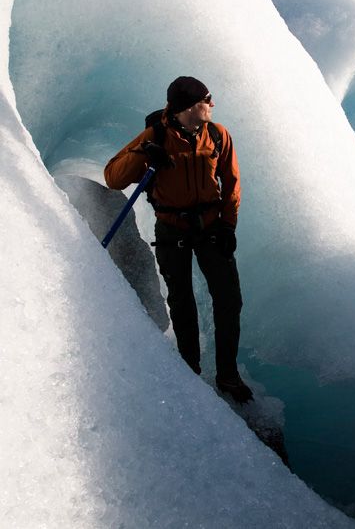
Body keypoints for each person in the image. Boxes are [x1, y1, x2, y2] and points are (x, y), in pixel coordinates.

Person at [105, 76, 252, 403]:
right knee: (181, 301)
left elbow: (231, 183)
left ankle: (227, 376)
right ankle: (190, 372)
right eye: (207, 99)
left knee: (229, 300)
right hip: (172, 229)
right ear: (189, 105)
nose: (212, 104)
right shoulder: (155, 135)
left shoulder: (217, 134)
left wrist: (228, 226)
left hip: (212, 227)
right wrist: (144, 154)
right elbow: (113, 176)